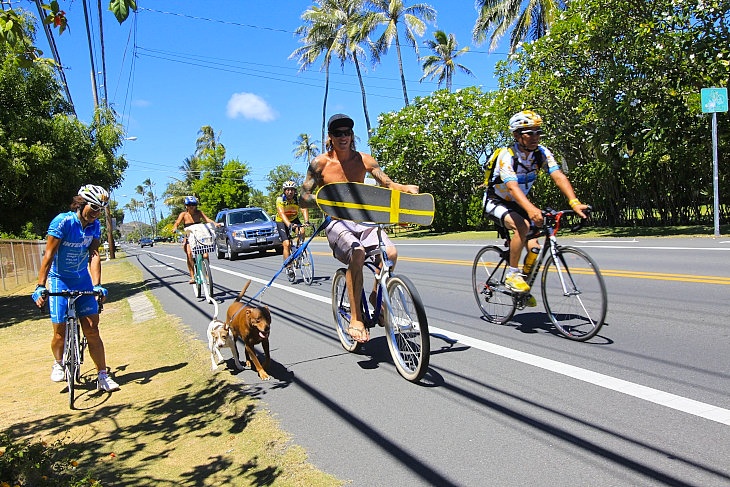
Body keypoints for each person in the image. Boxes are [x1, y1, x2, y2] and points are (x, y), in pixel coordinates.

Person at [300, 113, 419, 343]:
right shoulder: (319, 164)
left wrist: (404, 188)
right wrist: (322, 201)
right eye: (338, 133)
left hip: (363, 221)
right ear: (330, 137)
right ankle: (356, 319)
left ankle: (376, 296)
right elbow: (303, 196)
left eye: (347, 132)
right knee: (357, 252)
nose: (343, 137)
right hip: (336, 223)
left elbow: (387, 183)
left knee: (391, 253)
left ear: (352, 135)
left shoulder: (365, 160)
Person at [483, 110, 588, 301]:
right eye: (529, 132)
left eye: (538, 132)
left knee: (534, 249)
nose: (535, 137)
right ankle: (511, 275)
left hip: (519, 202)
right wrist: (531, 210)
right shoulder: (507, 156)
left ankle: (522, 290)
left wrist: (574, 202)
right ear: (517, 135)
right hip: (496, 201)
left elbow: (558, 176)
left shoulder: (542, 153)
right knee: (521, 226)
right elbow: (513, 188)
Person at [31, 184, 120, 392]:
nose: (97, 214)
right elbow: (49, 255)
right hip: (59, 279)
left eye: (100, 210)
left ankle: (102, 375)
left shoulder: (95, 226)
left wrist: (97, 285)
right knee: (59, 331)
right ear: (81, 204)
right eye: (94, 208)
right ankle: (59, 362)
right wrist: (40, 286)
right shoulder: (63, 222)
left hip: (82, 280)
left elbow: (94, 254)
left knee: (92, 330)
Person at [172, 196, 218, 284]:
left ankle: (207, 274)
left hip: (199, 236)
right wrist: (175, 228)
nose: (192, 207)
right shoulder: (183, 215)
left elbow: (206, 219)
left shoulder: (199, 213)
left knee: (205, 255)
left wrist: (215, 224)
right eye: (189, 205)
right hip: (189, 237)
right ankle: (192, 276)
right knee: (189, 254)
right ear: (186, 206)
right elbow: (177, 222)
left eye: (193, 205)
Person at [275, 180, 310, 280]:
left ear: (295, 191)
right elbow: (281, 213)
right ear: (284, 191)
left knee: (302, 231)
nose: (290, 192)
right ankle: (289, 267)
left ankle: (299, 249)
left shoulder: (297, 199)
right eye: (287, 190)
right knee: (286, 244)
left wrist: (306, 221)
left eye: (292, 190)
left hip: (294, 218)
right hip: (282, 221)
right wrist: (289, 225)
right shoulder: (280, 199)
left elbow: (303, 209)